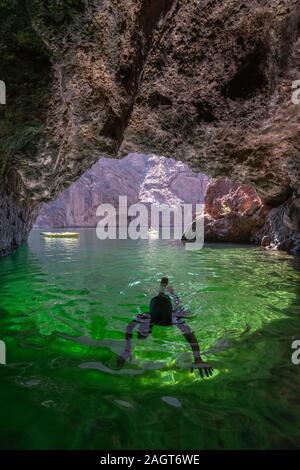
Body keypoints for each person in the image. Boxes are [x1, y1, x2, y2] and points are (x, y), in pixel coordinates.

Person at [117, 277, 214, 378]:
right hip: (159, 313)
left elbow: (190, 336)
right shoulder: (147, 316)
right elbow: (129, 327)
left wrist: (198, 357)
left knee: (181, 307)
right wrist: (127, 350)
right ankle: (163, 289)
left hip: (169, 312)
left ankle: (171, 293)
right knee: (142, 335)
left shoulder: (175, 318)